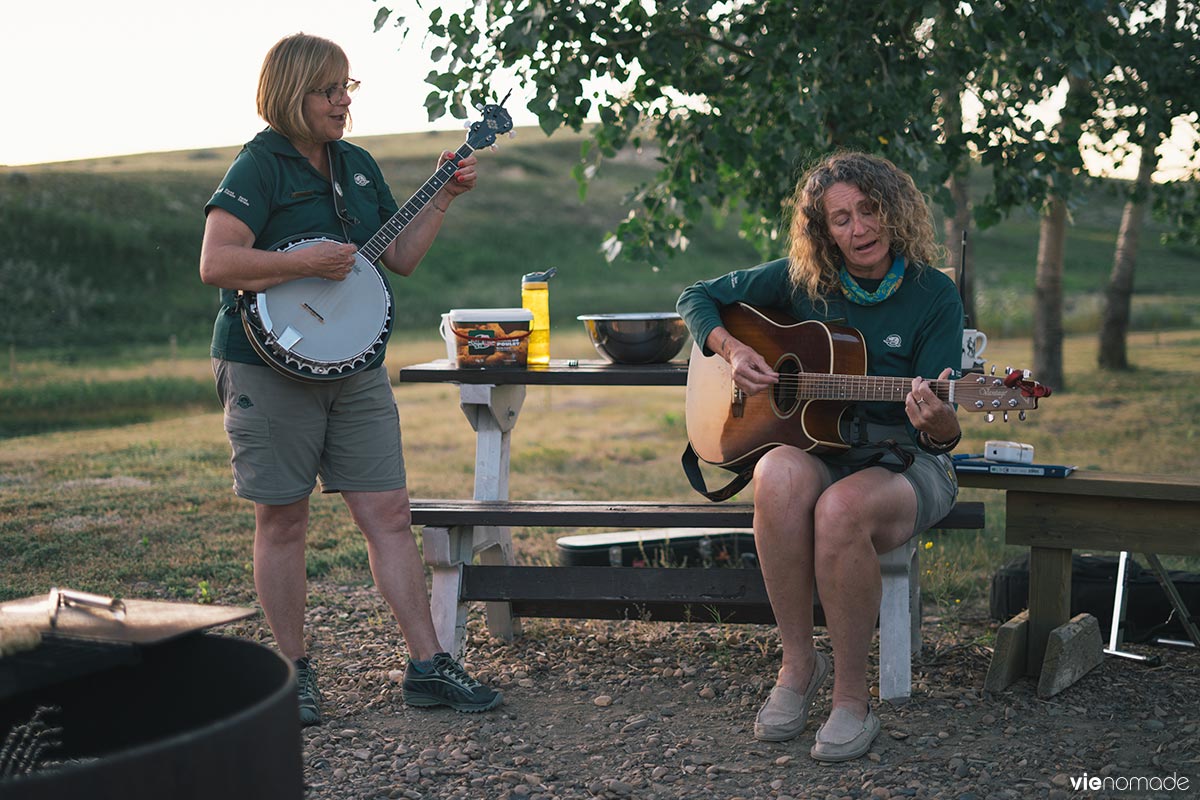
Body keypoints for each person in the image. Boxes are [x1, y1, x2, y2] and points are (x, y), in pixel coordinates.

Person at [199, 32, 500, 726]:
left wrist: (443, 198)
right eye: (331, 90)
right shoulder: (259, 166)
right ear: (292, 93)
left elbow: (397, 256)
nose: (344, 102)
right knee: (284, 519)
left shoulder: (357, 167)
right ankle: (291, 674)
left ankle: (429, 665)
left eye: (348, 89)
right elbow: (217, 261)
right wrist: (304, 265)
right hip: (265, 366)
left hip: (356, 367)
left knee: (389, 515)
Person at [676, 151, 962, 762]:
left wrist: (939, 420)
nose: (858, 229)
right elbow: (695, 296)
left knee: (838, 511)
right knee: (775, 473)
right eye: (840, 218)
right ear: (821, 230)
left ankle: (851, 699)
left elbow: (942, 436)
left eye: (868, 210)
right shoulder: (803, 280)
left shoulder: (933, 294)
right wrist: (729, 350)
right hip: (822, 449)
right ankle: (798, 665)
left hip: (908, 463)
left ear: (893, 211)